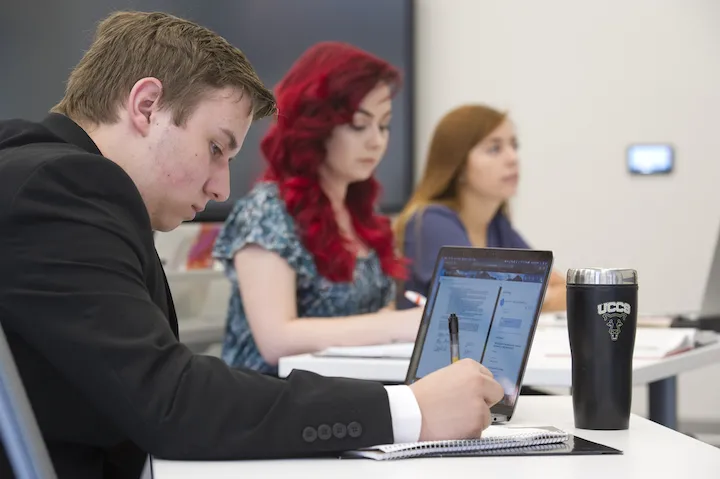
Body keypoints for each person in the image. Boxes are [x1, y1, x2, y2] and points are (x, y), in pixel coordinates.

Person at [0, 12, 504, 479]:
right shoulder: (62, 186)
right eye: (216, 148)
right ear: (146, 105)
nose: (222, 188)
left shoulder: (48, 178)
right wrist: (409, 410)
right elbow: (170, 400)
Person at [212, 42, 421, 373]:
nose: (376, 141)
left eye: (383, 125)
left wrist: (397, 322)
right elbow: (276, 339)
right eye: (358, 124)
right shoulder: (267, 210)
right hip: (272, 407)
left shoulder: (359, 212)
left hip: (352, 398)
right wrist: (400, 324)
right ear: (316, 123)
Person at [394, 104, 567, 311]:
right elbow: (480, 307)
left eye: (514, 145)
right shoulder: (431, 221)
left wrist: (529, 299)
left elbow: (563, 287)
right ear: (458, 166)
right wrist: (532, 298)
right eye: (494, 149)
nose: (512, 158)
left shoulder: (497, 225)